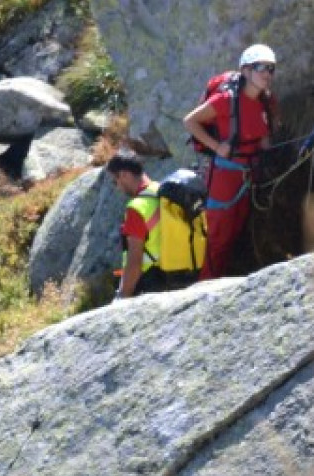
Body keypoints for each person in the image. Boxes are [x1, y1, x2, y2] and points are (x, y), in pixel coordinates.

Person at [183, 44, 277, 280]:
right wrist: (217, 147)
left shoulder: (267, 101)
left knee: (236, 230)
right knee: (218, 235)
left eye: (271, 68)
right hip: (225, 176)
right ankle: (205, 285)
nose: (267, 73)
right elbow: (190, 121)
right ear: (245, 71)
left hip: (250, 174)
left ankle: (222, 279)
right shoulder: (226, 100)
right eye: (261, 68)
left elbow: (264, 136)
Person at [107, 151, 205, 299]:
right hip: (184, 274)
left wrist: (123, 295)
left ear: (124, 175)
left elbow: (135, 261)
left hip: (152, 284)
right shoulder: (163, 191)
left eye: (115, 181)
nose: (118, 188)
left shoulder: (137, 208)